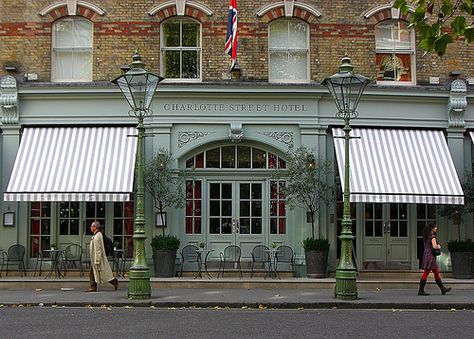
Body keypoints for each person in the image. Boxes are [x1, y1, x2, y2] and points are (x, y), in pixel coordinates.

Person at [418, 222, 451, 296]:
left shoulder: (426, 236)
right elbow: (435, 246)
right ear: (432, 228)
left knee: (436, 272)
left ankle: (443, 289)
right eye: (435, 227)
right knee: (426, 272)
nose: (436, 228)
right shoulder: (432, 237)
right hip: (430, 256)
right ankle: (421, 290)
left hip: (426, 255)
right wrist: (439, 246)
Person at [85, 220, 118, 292]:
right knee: (97, 273)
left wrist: (97, 260)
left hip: (97, 259)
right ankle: (94, 286)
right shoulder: (98, 235)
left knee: (101, 274)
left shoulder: (97, 237)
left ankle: (112, 281)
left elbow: (98, 249)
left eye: (91, 226)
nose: (90, 228)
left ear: (95, 227)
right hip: (96, 258)